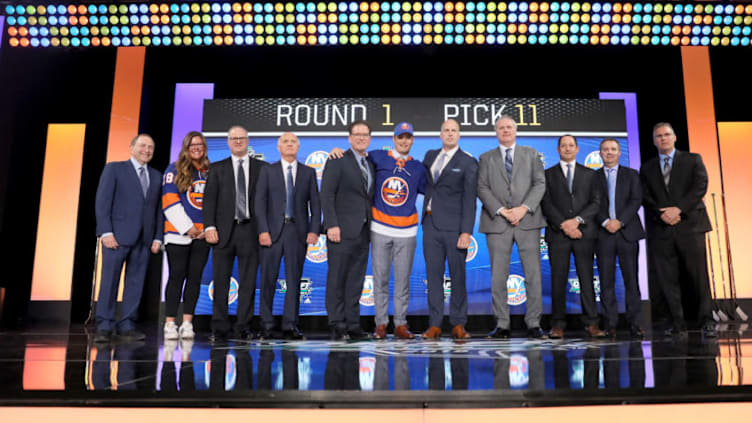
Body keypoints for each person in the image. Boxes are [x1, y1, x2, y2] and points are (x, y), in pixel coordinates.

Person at [328, 122, 427, 339]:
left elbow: (433, 193)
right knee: (380, 279)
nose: (404, 141)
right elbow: (353, 158)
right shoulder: (377, 157)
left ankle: (400, 324)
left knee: (402, 282)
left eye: (408, 137)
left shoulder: (419, 168)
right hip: (379, 229)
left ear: (412, 140)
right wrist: (337, 152)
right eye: (400, 137)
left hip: (407, 232)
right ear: (394, 139)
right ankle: (380, 324)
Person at [640, 122, 716, 337]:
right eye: (658, 136)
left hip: (691, 226)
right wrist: (662, 213)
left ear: (674, 137)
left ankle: (706, 321)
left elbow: (700, 186)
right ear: (654, 141)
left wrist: (679, 210)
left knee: (698, 276)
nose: (663, 138)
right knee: (667, 278)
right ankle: (677, 323)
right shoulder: (647, 167)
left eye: (666, 134)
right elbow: (645, 195)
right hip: (662, 228)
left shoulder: (693, 159)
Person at [477, 115, 547, 339]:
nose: (505, 131)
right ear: (496, 132)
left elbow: (540, 183)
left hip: (527, 222)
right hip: (497, 222)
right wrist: (502, 210)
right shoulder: (485, 157)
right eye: (501, 128)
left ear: (515, 131)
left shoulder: (532, 154)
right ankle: (502, 324)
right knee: (498, 276)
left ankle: (534, 323)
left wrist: (523, 208)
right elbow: (482, 187)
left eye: (509, 127)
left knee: (533, 275)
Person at [94, 134, 163, 343]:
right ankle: (105, 325)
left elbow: (159, 210)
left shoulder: (157, 175)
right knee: (109, 282)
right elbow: (102, 202)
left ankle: (126, 324)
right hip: (116, 237)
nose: (147, 150)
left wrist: (158, 237)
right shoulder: (114, 169)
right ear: (131, 147)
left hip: (144, 239)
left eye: (151, 147)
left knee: (135, 283)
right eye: (142, 145)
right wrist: (105, 232)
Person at [254, 132, 321, 340]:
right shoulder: (267, 171)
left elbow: (316, 205)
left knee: (294, 280)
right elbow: (259, 203)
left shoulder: (308, 173)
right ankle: (266, 324)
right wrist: (263, 230)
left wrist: (313, 230)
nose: (289, 144)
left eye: (293, 142)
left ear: (298, 147)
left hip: (297, 232)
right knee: (267, 279)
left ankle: (290, 325)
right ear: (278, 147)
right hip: (271, 233)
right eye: (285, 142)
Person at [202, 125, 266, 341]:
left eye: (241, 138)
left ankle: (243, 326)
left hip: (251, 231)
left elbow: (267, 202)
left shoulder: (262, 168)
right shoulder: (217, 168)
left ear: (248, 141)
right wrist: (209, 227)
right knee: (220, 281)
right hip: (222, 232)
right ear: (228, 142)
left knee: (248, 282)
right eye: (233, 138)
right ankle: (219, 327)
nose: (238, 141)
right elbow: (209, 201)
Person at [541, 134, 605, 339]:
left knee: (587, 279)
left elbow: (596, 203)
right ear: (558, 150)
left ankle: (592, 323)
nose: (567, 149)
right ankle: (558, 324)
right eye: (563, 146)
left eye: (571, 145)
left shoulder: (591, 174)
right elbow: (546, 203)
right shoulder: (547, 174)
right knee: (558, 281)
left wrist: (576, 221)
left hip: (583, 233)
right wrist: (564, 225)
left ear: (577, 149)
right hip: (558, 234)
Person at [421, 119, 478, 340]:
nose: (450, 134)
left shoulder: (468, 162)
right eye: (446, 130)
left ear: (459, 135)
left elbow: (470, 199)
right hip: (430, 225)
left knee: (458, 277)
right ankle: (434, 325)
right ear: (441, 134)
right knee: (433, 277)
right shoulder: (429, 156)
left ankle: (458, 324)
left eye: (454, 130)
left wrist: (466, 231)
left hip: (455, 229)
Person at [320, 120, 376, 340]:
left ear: (370, 138)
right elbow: (326, 194)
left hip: (363, 231)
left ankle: (353, 324)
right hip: (340, 230)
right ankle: (336, 324)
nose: (361, 138)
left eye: (365, 134)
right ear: (349, 138)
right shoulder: (337, 160)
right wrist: (331, 224)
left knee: (355, 279)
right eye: (357, 134)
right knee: (337, 278)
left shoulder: (370, 163)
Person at [161, 131, 211, 340]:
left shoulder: (210, 171)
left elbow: (216, 203)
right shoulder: (174, 169)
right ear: (186, 147)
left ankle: (187, 323)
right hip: (178, 235)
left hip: (202, 236)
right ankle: (170, 323)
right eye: (192, 145)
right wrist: (188, 228)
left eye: (199, 144)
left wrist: (207, 228)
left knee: (194, 279)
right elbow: (169, 202)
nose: (196, 148)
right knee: (176, 277)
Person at [594, 138, 646, 339]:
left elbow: (636, 200)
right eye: (605, 150)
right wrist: (606, 221)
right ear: (600, 153)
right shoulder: (593, 177)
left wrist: (620, 221)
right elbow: (592, 204)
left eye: (613, 149)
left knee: (631, 280)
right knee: (606, 281)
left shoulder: (632, 175)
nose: (609, 152)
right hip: (603, 233)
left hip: (627, 233)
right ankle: (610, 324)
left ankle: (635, 323)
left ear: (619, 152)